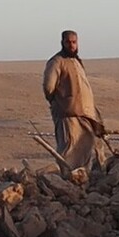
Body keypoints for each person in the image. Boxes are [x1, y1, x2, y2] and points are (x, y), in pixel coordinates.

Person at [42, 30, 107, 171]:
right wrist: (62, 101)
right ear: (62, 43)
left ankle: (82, 180)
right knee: (69, 149)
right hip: (68, 115)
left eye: (74, 42)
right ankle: (67, 181)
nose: (71, 45)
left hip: (85, 113)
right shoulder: (57, 62)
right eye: (68, 42)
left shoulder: (76, 61)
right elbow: (48, 88)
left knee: (85, 147)